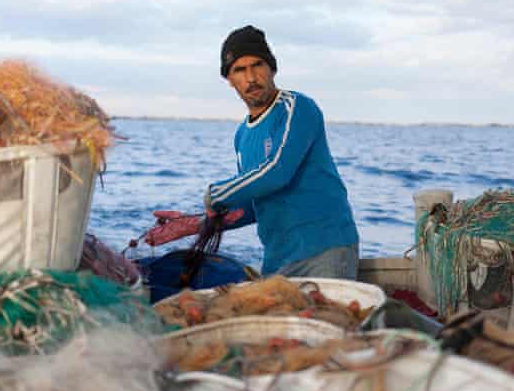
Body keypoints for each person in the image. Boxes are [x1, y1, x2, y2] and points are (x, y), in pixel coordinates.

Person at [146, 25, 359, 279]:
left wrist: (214, 195)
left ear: (272, 68)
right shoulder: (242, 135)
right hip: (277, 260)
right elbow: (254, 206)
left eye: (257, 65)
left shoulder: (297, 107)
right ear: (229, 80)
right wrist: (196, 224)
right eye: (239, 70)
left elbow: (276, 171)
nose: (251, 77)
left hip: (324, 250)